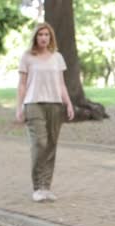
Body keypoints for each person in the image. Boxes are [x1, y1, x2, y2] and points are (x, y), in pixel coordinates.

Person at [15, 22, 74, 202]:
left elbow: (62, 84)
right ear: (35, 37)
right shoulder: (27, 57)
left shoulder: (57, 57)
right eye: (40, 34)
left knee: (51, 145)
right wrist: (19, 107)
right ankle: (37, 186)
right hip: (33, 104)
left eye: (46, 35)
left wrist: (69, 103)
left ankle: (46, 187)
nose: (43, 38)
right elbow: (22, 84)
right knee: (39, 143)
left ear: (50, 38)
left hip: (55, 105)